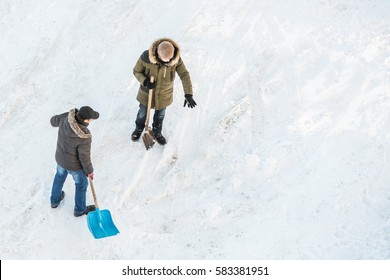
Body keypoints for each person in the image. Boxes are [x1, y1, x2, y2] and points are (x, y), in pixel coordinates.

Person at [131, 38, 197, 144]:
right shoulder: (146, 56)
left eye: (169, 61)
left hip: (164, 95)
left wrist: (188, 94)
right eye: (164, 61)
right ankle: (138, 128)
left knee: (160, 115)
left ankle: (157, 132)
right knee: (142, 114)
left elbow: (184, 75)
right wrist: (145, 81)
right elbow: (136, 71)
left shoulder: (175, 59)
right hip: (146, 93)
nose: (168, 63)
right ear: (157, 55)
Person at [50, 106, 99, 217]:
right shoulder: (84, 135)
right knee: (81, 184)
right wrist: (89, 171)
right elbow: (84, 157)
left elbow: (53, 121)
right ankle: (79, 210)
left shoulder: (66, 117)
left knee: (59, 177)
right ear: (86, 120)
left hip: (61, 159)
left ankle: (54, 201)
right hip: (74, 166)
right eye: (91, 119)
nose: (91, 121)